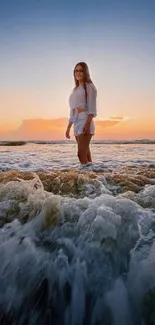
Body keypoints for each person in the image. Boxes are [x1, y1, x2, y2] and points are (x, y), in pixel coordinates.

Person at [65, 62, 97, 167]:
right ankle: (92, 178)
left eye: (81, 70)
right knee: (86, 155)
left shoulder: (89, 86)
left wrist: (87, 124)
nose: (78, 73)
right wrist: (68, 127)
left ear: (85, 72)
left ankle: (85, 179)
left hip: (85, 120)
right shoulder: (74, 90)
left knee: (80, 154)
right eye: (76, 70)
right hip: (76, 122)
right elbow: (72, 110)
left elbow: (92, 107)